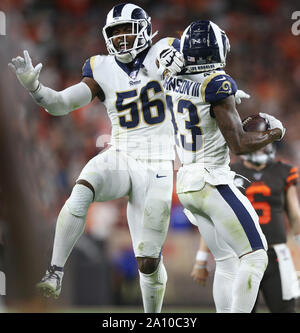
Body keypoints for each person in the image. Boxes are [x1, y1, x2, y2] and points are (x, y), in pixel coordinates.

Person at [8, 3, 187, 313]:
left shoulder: (165, 50)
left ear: (143, 29)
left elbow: (187, 64)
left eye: (125, 31)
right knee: (83, 187)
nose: (120, 39)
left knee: (147, 260)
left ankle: (152, 316)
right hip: (120, 153)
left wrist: (187, 65)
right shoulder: (101, 68)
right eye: (114, 33)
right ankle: (55, 271)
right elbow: (61, 104)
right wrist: (36, 88)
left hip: (158, 161)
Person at [163, 20, 286, 312]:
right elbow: (240, 145)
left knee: (228, 260)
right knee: (256, 257)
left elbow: (184, 84)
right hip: (211, 180)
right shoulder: (218, 84)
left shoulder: (171, 77)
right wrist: (275, 133)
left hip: (186, 179)